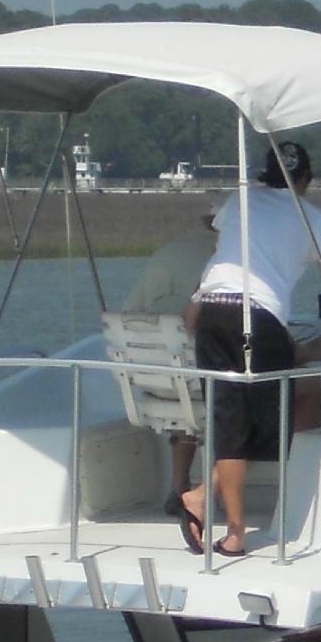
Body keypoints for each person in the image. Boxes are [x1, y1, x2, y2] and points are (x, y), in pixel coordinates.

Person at [178, 141, 321, 557]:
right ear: (306, 178)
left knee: (233, 421)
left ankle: (217, 512)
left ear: (265, 175)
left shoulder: (240, 200)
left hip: (214, 312)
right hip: (257, 317)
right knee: (259, 422)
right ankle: (220, 513)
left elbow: (216, 232)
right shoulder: (315, 219)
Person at [119, 218, 216, 514]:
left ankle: (178, 487)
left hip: (156, 384)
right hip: (200, 383)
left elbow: (127, 314)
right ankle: (207, 491)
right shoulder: (226, 260)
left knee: (184, 386)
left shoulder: (166, 254)